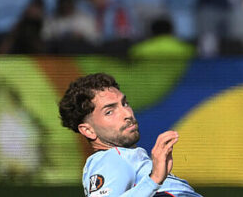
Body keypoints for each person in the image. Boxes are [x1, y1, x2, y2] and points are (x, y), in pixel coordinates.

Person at [58, 73, 201, 196]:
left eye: (125, 103)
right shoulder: (109, 158)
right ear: (88, 130)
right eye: (109, 111)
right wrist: (154, 179)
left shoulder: (127, 158)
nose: (127, 114)